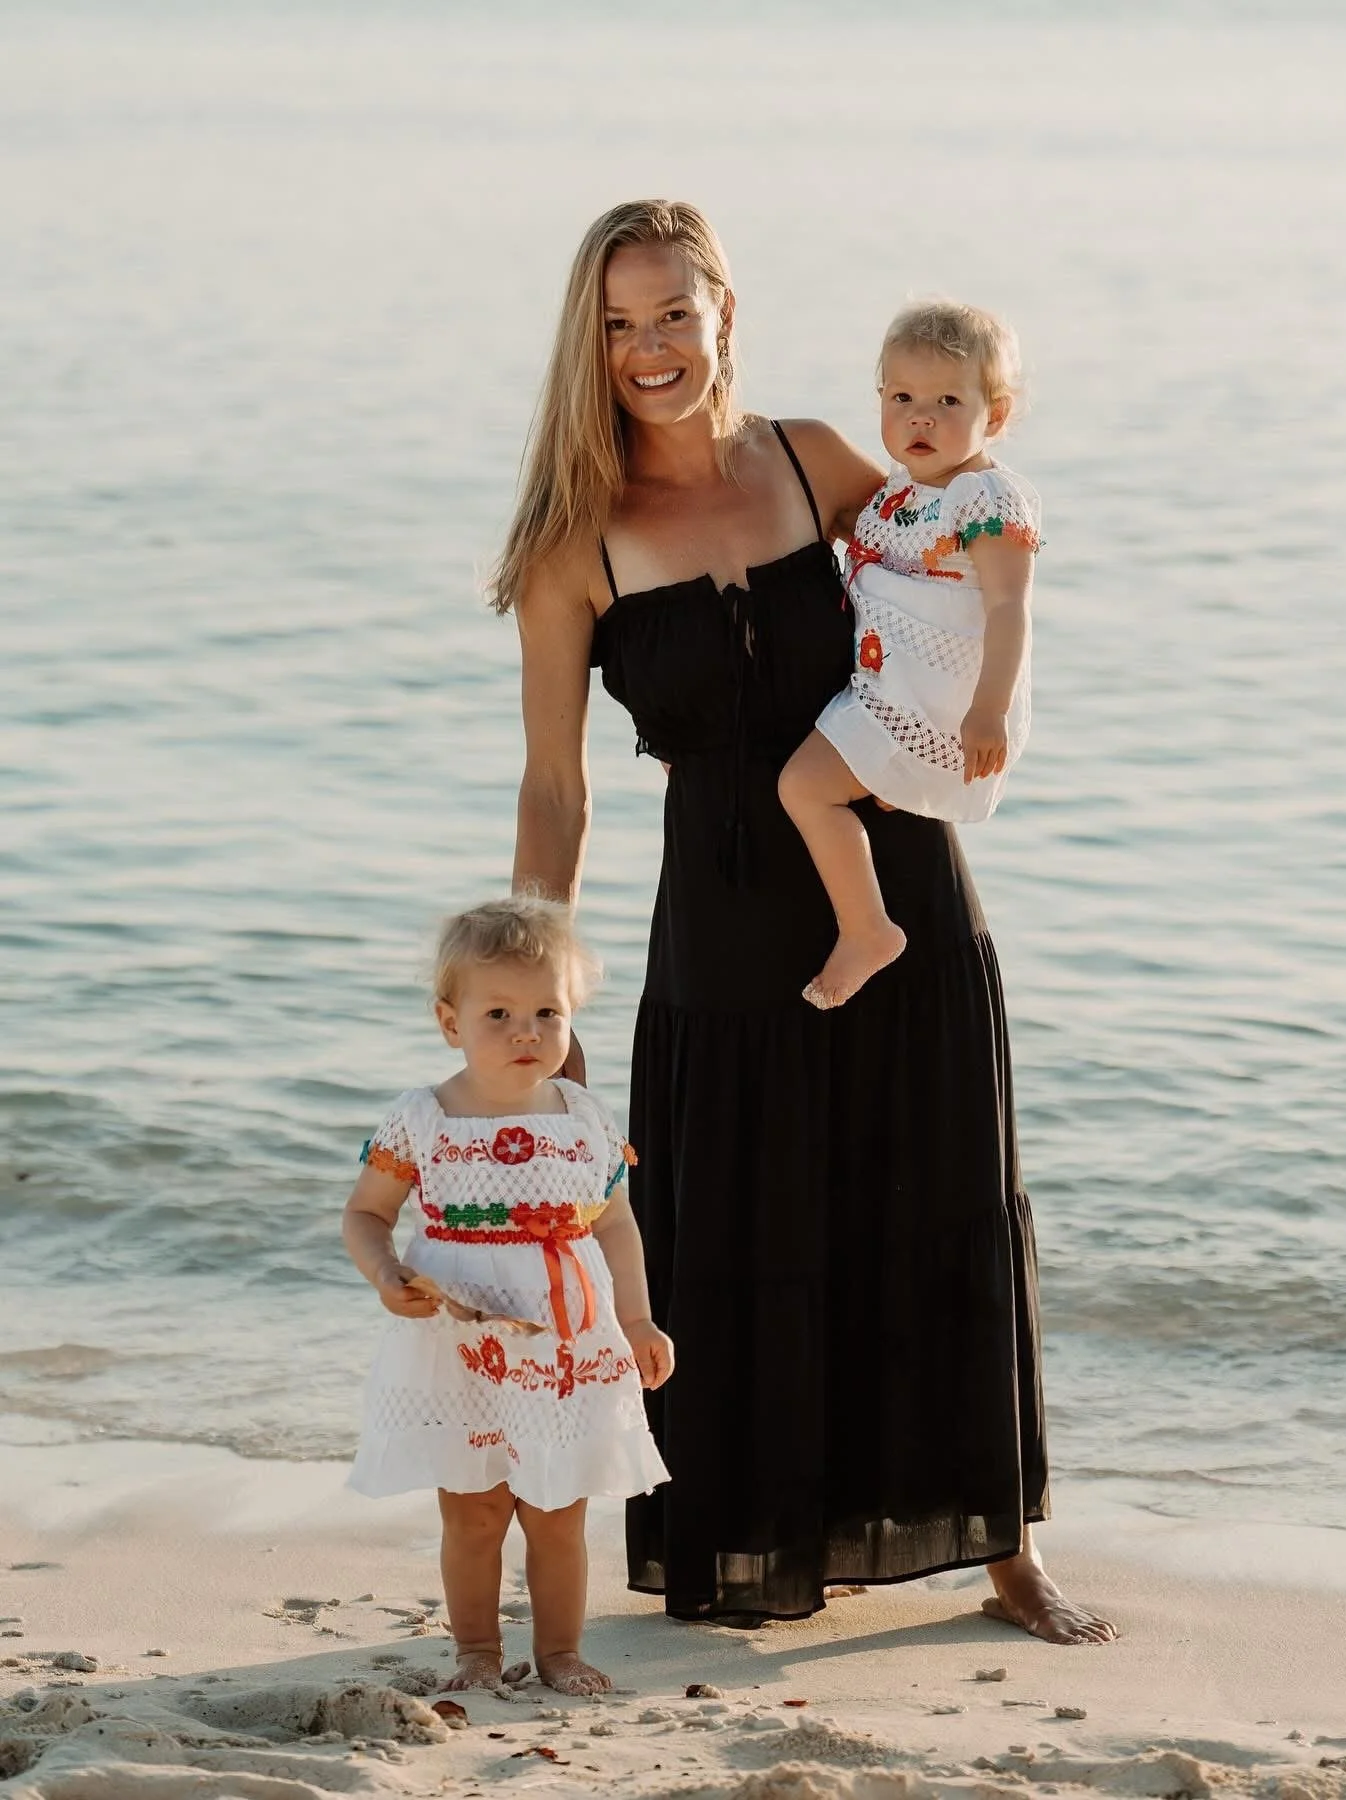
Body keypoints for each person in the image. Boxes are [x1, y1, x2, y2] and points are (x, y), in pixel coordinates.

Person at [498, 198, 1114, 1645]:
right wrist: (543, 978)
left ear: (723, 311)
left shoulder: (818, 457)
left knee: (942, 1198)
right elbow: (554, 784)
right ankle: (751, 1539)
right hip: (716, 920)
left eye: (673, 312)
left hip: (895, 881)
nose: (651, 346)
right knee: (737, 1230)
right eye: (620, 321)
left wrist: (993, 709)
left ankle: (1001, 1545)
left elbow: (967, 558)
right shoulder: (571, 542)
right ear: (590, 343)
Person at [342, 897, 673, 1695]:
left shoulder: (585, 1117)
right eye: (499, 1013)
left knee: (559, 1512)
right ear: (449, 1021)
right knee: (475, 1509)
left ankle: (559, 1650)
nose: (527, 1032)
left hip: (564, 1339)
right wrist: (387, 1276)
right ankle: (478, 1652)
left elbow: (618, 1224)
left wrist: (636, 1318)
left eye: (546, 1012)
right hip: (457, 1342)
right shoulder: (425, 1118)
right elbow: (365, 1214)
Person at [779, 301, 1040, 1008]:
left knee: (803, 787)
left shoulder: (982, 497)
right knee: (811, 785)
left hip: (937, 702)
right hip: (885, 689)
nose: (919, 418)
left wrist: (989, 711)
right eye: (901, 398)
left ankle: (867, 928)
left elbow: (1008, 607)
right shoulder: (897, 494)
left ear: (998, 413)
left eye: (947, 400)